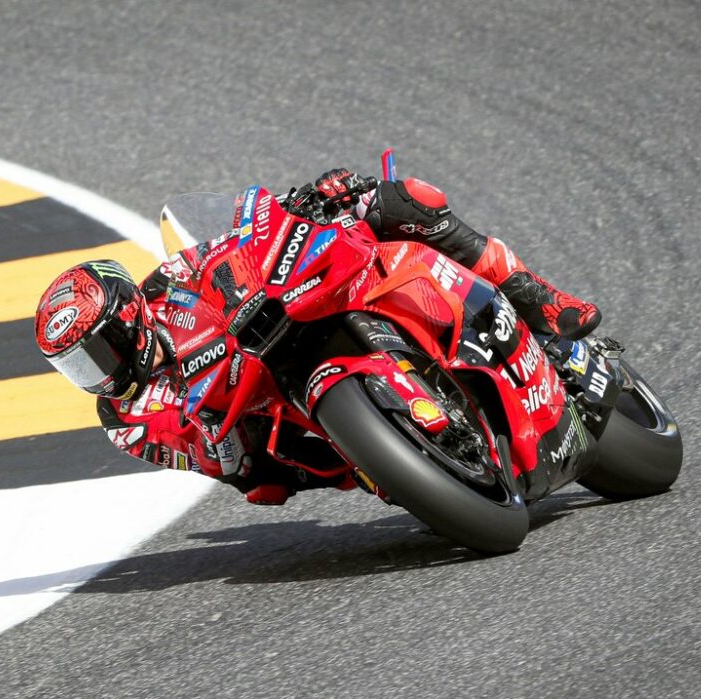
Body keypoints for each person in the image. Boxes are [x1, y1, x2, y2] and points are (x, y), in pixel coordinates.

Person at [34, 169, 601, 504]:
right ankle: (403, 453)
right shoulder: (125, 422)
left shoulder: (170, 284)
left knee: (400, 200)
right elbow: (216, 464)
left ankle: (537, 296)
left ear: (128, 318)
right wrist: (221, 452)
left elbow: (234, 237)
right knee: (265, 482)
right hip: (270, 417)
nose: (96, 373)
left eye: (95, 351)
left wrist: (304, 202)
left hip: (284, 319)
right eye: (77, 366)